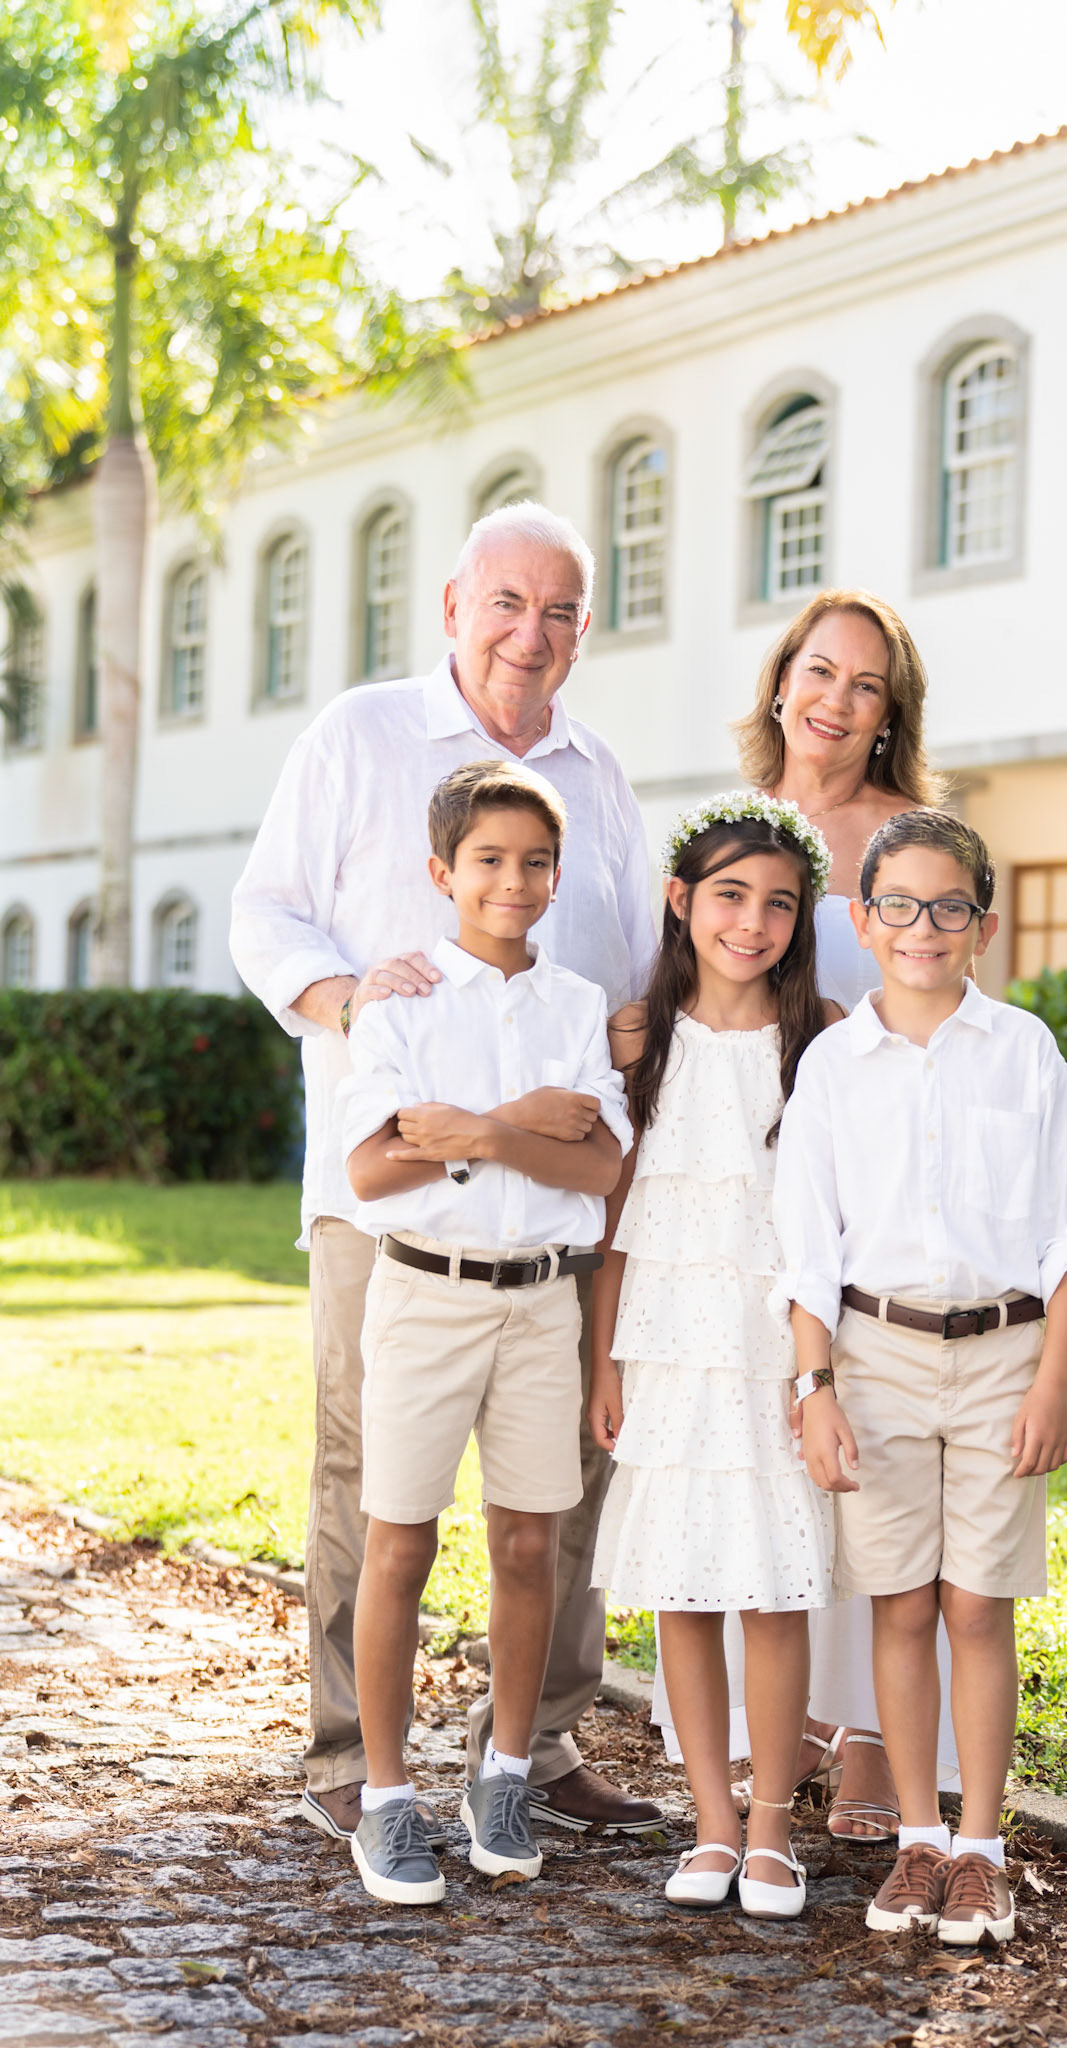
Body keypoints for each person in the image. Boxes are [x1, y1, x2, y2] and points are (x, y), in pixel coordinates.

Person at [230, 503, 662, 1843]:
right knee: (370, 1476)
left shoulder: (598, 773)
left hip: (558, 1210)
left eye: (560, 611)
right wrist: (349, 1000)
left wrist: (632, 1037)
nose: (531, 633)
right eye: (507, 603)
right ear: (453, 608)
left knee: (565, 1480)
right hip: (390, 1198)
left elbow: (638, 954)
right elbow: (264, 911)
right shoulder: (359, 736)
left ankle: (530, 1749)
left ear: (583, 630)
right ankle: (351, 1759)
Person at [773, 808, 1067, 1945]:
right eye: (900, 905)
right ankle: (917, 1840)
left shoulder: (1025, 1051)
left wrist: (1053, 1380)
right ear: (862, 921)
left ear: (984, 926)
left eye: (949, 906)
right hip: (875, 1357)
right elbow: (808, 1250)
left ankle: (981, 1848)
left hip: (1008, 1353)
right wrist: (815, 1388)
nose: (924, 926)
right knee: (903, 1601)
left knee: (977, 1601)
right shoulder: (830, 1067)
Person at [337, 761, 632, 1903]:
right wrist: (517, 1123)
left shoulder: (575, 1005)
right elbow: (373, 1170)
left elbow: (598, 1167)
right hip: (426, 1297)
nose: (514, 881)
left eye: (536, 862)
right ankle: (384, 1798)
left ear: (557, 876)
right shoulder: (400, 1003)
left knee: (527, 1545)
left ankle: (503, 1775)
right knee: (400, 1546)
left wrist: (472, 1133)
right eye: (490, 860)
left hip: (542, 1301)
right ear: (442, 872)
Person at [588, 793, 839, 1919]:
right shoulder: (634, 1036)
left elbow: (834, 1215)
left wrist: (819, 1372)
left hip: (776, 1346)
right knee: (682, 1584)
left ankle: (774, 1828)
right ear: (680, 900)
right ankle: (710, 1824)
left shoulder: (820, 1034)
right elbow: (613, 1219)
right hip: (666, 1345)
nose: (753, 922)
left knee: (774, 1586)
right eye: (730, 895)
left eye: (779, 903)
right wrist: (603, 1363)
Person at [729, 588, 951, 1840]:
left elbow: (944, 1009)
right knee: (777, 1446)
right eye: (821, 671)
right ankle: (800, 1708)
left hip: (877, 1185)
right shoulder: (730, 830)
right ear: (782, 681)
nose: (837, 699)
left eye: (867, 685)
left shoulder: (908, 840)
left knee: (871, 1443)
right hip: (746, 1177)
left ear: (889, 714)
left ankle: (872, 1725)